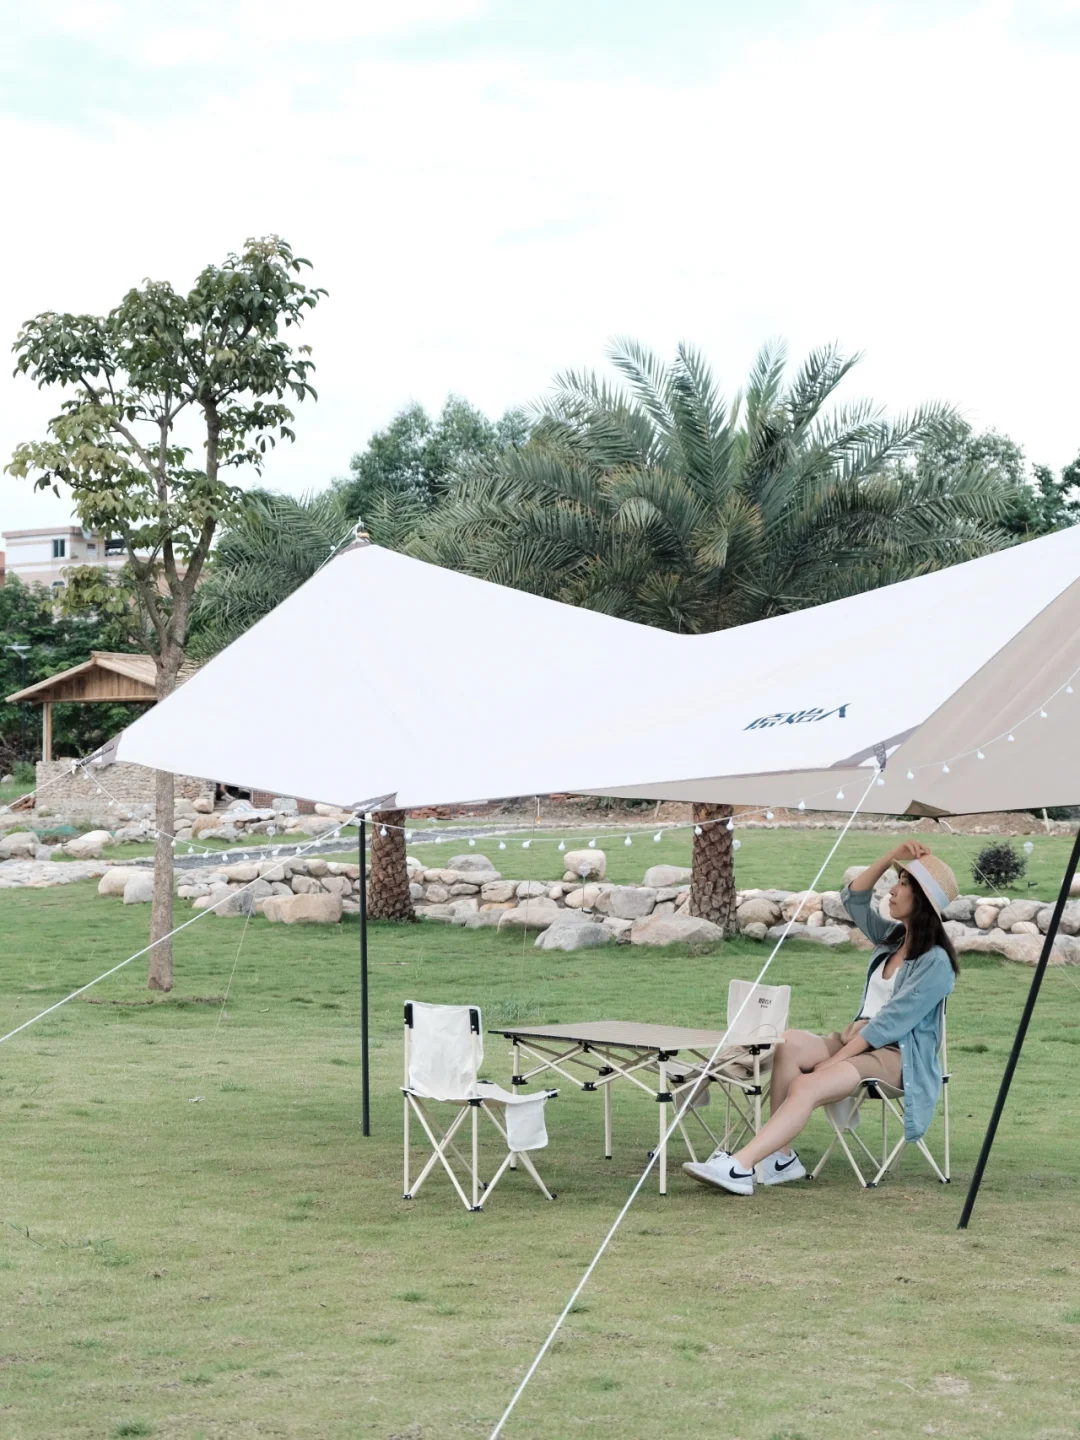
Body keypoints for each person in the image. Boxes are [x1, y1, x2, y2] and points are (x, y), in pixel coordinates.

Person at [683, 840, 959, 1195]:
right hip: (857, 1040)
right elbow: (853, 899)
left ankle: (740, 1166)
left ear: (922, 899)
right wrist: (891, 856)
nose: (892, 890)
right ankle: (780, 1158)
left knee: (807, 1085)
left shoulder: (935, 963)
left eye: (903, 884)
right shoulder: (891, 939)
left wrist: (834, 1062)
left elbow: (889, 1023)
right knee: (789, 1041)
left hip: (897, 1056)